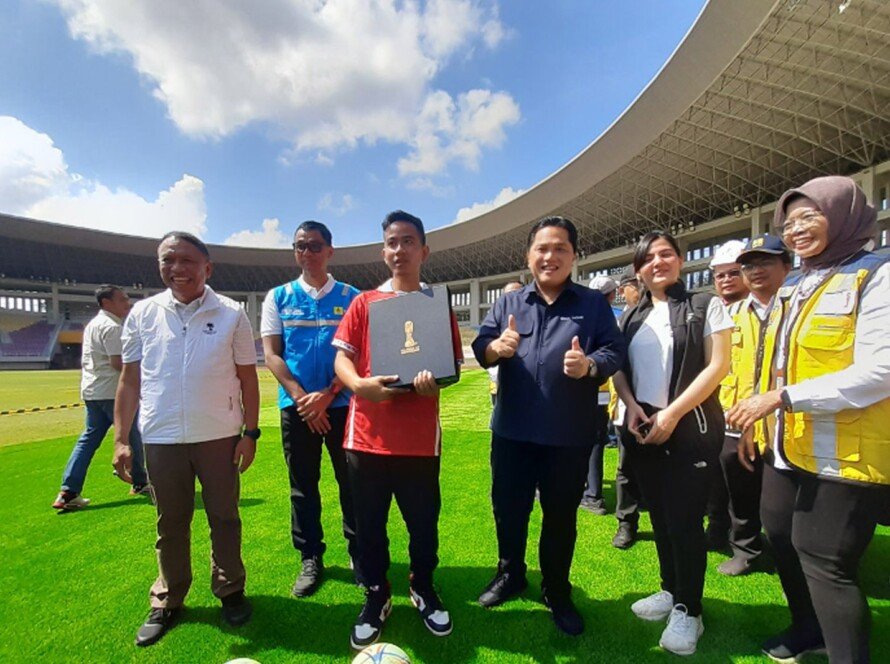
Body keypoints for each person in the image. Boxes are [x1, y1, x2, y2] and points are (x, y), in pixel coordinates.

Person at [727, 176, 890, 663]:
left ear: (842, 215)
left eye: (810, 217)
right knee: (779, 534)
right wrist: (756, 419)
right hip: (786, 444)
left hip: (845, 451)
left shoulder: (876, 274)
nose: (797, 230)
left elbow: (881, 370)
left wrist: (782, 398)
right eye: (790, 221)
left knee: (825, 560)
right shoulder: (796, 282)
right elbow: (769, 360)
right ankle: (808, 628)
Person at [472, 216, 625, 636]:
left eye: (560, 248)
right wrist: (495, 348)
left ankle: (556, 589)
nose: (550, 256)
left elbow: (614, 351)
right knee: (509, 511)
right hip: (512, 432)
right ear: (528, 256)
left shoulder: (592, 304)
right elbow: (480, 345)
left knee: (560, 518)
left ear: (574, 255)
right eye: (541, 248)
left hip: (567, 435)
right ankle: (511, 574)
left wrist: (589, 365)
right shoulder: (509, 303)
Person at [112, 231, 260, 647]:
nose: (176, 268)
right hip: (160, 436)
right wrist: (122, 438)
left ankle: (230, 590)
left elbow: (248, 378)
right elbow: (130, 380)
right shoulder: (142, 314)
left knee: (225, 519)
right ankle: (169, 598)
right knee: (171, 522)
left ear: (207, 267)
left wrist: (250, 433)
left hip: (219, 435)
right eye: (167, 260)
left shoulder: (231, 313)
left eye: (187, 260)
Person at [333, 210, 463, 650]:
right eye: (391, 242)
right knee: (369, 528)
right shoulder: (364, 302)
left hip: (419, 443)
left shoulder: (435, 305)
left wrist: (433, 384)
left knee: (423, 526)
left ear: (423, 250)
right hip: (366, 438)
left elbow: (453, 368)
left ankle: (422, 587)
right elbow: (342, 359)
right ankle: (376, 595)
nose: (399, 250)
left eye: (408, 241)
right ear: (382, 250)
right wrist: (358, 386)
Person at [612, 230, 731, 655]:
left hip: (690, 431)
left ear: (680, 260)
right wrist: (632, 407)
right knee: (660, 518)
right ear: (639, 270)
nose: (657, 263)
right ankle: (669, 590)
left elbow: (718, 366)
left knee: (684, 523)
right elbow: (619, 369)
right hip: (643, 432)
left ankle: (690, 609)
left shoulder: (703, 304)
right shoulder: (631, 316)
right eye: (648, 258)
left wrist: (673, 413)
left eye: (665, 255)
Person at [262, 220, 360, 598]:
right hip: (297, 408)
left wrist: (329, 392)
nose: (308, 253)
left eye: (315, 246)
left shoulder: (352, 296)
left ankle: (358, 550)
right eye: (301, 246)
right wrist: (303, 397)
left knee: (351, 484)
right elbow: (272, 354)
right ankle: (310, 557)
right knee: (303, 487)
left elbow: (358, 354)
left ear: (330, 251)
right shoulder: (279, 296)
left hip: (342, 405)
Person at [715, 235, 791, 577]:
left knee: (784, 498)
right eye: (748, 265)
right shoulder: (730, 316)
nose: (755, 271)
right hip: (736, 419)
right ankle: (745, 549)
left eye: (765, 262)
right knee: (740, 492)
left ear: (787, 267)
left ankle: (787, 553)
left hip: (787, 422)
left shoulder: (797, 309)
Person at [52, 285, 149, 510]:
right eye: (123, 299)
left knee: (88, 441)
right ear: (107, 302)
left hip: (92, 391)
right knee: (132, 435)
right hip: (112, 392)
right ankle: (140, 482)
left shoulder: (94, 324)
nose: (127, 303)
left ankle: (68, 490)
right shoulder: (112, 327)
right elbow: (118, 363)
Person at [705, 239, 749, 552]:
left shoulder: (762, 310)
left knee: (743, 486)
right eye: (720, 275)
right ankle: (716, 532)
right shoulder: (709, 311)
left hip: (746, 413)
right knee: (714, 483)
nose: (726, 280)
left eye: (734, 272)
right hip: (713, 413)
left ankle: (745, 545)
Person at [579, 275, 620, 516]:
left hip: (581, 392)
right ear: (613, 295)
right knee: (596, 443)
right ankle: (593, 494)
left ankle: (589, 493)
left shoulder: (583, 317)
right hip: (605, 392)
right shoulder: (616, 316)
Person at [611, 266, 644, 549]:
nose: (635, 288)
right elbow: (616, 365)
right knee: (627, 470)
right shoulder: (624, 319)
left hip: (666, 408)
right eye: (632, 285)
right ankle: (627, 522)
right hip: (629, 407)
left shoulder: (677, 311)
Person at [486, 281, 524, 406]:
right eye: (507, 295)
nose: (512, 299)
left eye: (516, 294)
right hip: (499, 382)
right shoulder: (495, 321)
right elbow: (482, 347)